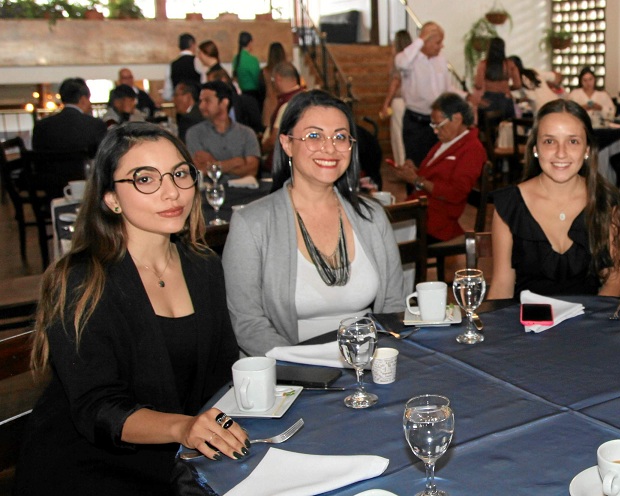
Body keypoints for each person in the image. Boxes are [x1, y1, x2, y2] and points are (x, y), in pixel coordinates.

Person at [15, 122, 245, 494]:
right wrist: (182, 427)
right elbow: (98, 408)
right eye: (144, 179)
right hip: (89, 469)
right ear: (111, 198)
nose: (171, 192)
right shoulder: (81, 280)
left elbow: (220, 376)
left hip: (179, 459)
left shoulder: (203, 265)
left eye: (180, 174)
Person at [223, 90, 407, 356]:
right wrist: (308, 366)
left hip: (366, 364)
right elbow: (247, 323)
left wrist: (374, 360)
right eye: (314, 136)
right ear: (287, 144)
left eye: (340, 137)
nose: (330, 148)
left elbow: (393, 304)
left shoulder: (372, 216)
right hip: (290, 374)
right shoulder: (252, 225)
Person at [490, 99, 620, 299]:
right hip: (524, 324)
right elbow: (502, 286)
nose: (561, 153)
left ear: (587, 150)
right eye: (549, 141)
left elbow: (613, 283)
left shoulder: (606, 201)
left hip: (588, 322)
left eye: (573, 141)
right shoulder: (510, 205)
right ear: (535, 148)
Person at [390, 93, 486, 243]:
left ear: (457, 118)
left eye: (438, 125)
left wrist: (417, 180)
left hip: (437, 221)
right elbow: (432, 177)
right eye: (433, 125)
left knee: (383, 237)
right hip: (422, 210)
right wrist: (413, 172)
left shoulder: (472, 149)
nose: (435, 131)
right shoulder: (446, 142)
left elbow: (456, 193)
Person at [395, 21, 463, 165]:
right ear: (426, 41)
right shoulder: (410, 60)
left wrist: (465, 96)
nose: (441, 46)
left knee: (436, 164)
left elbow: (447, 88)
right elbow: (401, 63)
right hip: (415, 123)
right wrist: (420, 39)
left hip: (437, 123)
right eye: (438, 42)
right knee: (414, 165)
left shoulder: (441, 60)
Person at [185, 80, 260, 177]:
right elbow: (199, 170)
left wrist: (213, 164)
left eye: (207, 101)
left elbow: (252, 170)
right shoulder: (194, 133)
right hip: (209, 190)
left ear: (224, 102)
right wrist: (236, 162)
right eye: (201, 101)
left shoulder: (247, 133)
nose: (201, 106)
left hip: (244, 190)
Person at [380, 30, 412, 166]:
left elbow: (395, 82)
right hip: (411, 101)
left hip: (399, 100)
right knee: (409, 135)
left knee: (398, 135)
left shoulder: (398, 59)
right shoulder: (412, 59)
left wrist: (386, 103)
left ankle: (401, 164)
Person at [471, 37, 521, 121]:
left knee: (486, 127)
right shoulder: (510, 64)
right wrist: (508, 88)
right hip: (506, 99)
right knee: (508, 127)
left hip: (489, 100)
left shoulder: (483, 64)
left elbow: (478, 85)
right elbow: (518, 84)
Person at [260, 42, 289, 131]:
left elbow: (261, 91)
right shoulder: (288, 71)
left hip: (269, 108)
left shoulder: (264, 71)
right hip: (284, 105)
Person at [163, 33, 200, 101]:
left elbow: (167, 94)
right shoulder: (199, 62)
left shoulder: (172, 65)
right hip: (197, 105)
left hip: (180, 106)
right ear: (193, 45)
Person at [232, 31, 261, 101]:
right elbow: (257, 79)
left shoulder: (236, 59)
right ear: (250, 42)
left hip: (241, 94)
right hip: (253, 94)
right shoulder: (253, 60)